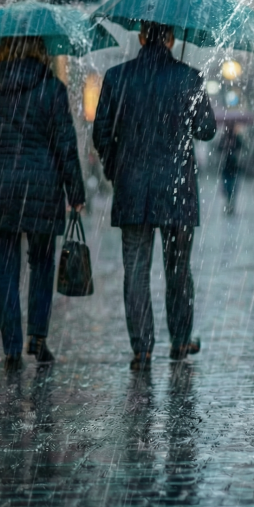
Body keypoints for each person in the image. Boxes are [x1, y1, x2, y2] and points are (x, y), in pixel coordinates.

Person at [93, 21, 216, 371]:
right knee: (178, 270)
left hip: (132, 188)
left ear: (141, 36)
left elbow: (101, 133)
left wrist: (115, 169)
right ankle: (180, 340)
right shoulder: (189, 78)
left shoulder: (117, 77)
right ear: (172, 39)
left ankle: (142, 347)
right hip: (177, 190)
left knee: (135, 270)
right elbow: (206, 129)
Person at [0, 36, 85, 370]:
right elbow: (65, 143)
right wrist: (75, 192)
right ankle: (38, 337)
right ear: (40, 49)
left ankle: (11, 347)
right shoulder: (52, 88)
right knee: (42, 263)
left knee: (5, 267)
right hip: (41, 184)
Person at [218, 122, 243, 215]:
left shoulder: (237, 139)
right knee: (227, 188)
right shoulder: (224, 138)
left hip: (234, 167)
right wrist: (226, 145)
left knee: (233, 188)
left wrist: (233, 147)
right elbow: (219, 149)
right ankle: (228, 204)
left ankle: (231, 205)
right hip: (226, 167)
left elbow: (241, 148)